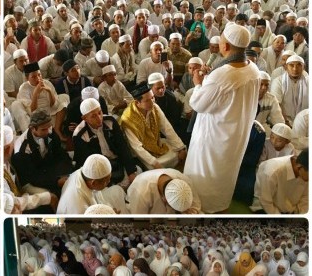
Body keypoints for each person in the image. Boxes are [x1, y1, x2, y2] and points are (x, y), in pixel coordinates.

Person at [183, 23, 260, 213]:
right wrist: (210, 79)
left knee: (205, 180)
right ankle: (220, 206)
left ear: (225, 47)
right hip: (235, 137)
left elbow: (198, 104)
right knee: (225, 177)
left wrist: (199, 83)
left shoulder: (223, 75)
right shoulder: (253, 69)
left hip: (213, 139)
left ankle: (202, 210)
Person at [73, 98, 138, 188]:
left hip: (118, 162)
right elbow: (88, 162)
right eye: (93, 116)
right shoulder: (80, 135)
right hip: (100, 170)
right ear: (85, 118)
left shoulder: (110, 121)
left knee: (137, 177)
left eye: (100, 113)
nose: (99, 118)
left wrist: (131, 171)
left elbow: (123, 147)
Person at [120, 84, 187, 170]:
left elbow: (167, 128)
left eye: (153, 98)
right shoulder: (127, 119)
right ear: (137, 103)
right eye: (147, 100)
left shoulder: (154, 107)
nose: (152, 102)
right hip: (141, 151)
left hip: (156, 143)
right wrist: (154, 162)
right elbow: (136, 147)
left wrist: (180, 147)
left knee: (181, 151)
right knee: (154, 167)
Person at [12, 110, 73, 199]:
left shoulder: (48, 130)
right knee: (53, 195)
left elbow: (59, 152)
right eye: (44, 129)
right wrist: (57, 181)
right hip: (30, 180)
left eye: (49, 127)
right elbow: (33, 177)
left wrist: (67, 172)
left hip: (45, 169)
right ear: (32, 128)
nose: (48, 131)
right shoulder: (22, 149)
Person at [57, 154, 126, 214]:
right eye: (107, 181)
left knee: (117, 190)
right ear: (94, 182)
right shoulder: (80, 207)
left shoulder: (84, 172)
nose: (109, 182)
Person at [250, 149, 308, 214]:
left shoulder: (305, 173)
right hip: (266, 209)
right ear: (299, 166)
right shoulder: (273, 171)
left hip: (290, 211)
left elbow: (305, 199)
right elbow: (265, 202)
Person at [126, 168, 201, 214]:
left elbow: (195, 203)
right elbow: (139, 217)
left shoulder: (183, 180)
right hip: (135, 203)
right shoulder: (141, 192)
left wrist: (191, 211)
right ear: (164, 199)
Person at [270, 55, 308, 126]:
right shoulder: (278, 81)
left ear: (303, 67)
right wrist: (286, 123)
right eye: (291, 65)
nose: (295, 69)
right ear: (286, 67)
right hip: (284, 120)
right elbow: (277, 104)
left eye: (299, 65)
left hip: (306, 120)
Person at [256, 72, 285, 137]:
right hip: (245, 128)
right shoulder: (245, 97)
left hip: (262, 127)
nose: (264, 88)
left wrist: (282, 133)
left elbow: (278, 120)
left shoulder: (271, 99)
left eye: (266, 85)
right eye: (261, 84)